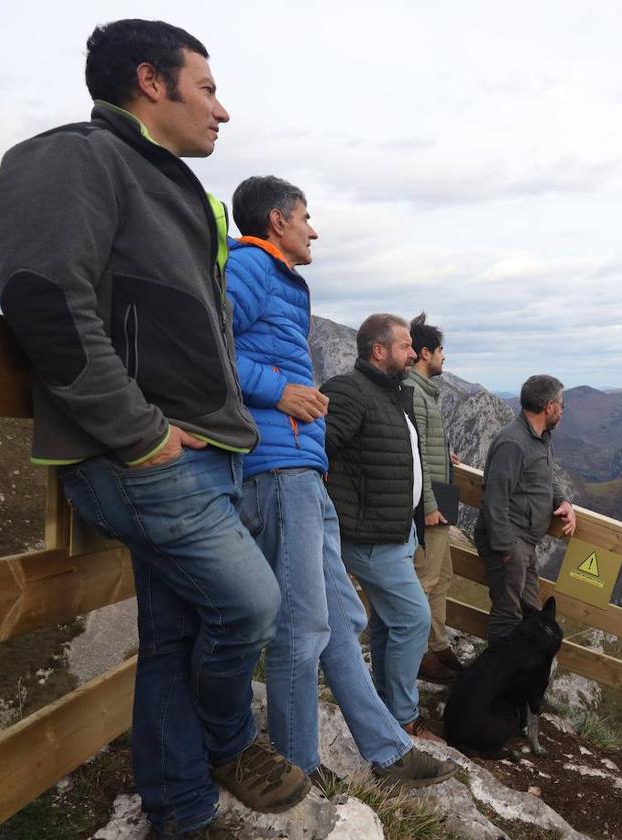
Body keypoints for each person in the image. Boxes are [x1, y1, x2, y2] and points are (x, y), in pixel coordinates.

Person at [0, 20, 308, 838]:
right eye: (206, 87)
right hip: (141, 455)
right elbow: (43, 301)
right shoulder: (69, 158)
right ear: (150, 81)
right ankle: (231, 742)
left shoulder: (171, 186)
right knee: (252, 604)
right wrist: (140, 433)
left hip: (204, 451)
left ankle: (179, 807)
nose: (222, 111)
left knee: (177, 633)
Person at [226, 177, 456, 791]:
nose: (314, 228)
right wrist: (279, 392)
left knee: (342, 614)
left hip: (300, 474)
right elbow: (205, 343)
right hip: (276, 471)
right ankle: (298, 769)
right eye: (306, 216)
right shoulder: (248, 267)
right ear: (277, 220)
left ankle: (385, 747)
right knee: (302, 627)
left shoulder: (280, 281)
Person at [322, 314, 438, 739]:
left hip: (394, 531)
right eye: (406, 346)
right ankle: (403, 719)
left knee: (391, 623)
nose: (413, 353)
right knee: (414, 618)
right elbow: (317, 448)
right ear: (379, 350)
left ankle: (386, 706)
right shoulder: (349, 391)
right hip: (369, 535)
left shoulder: (390, 394)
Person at [474, 375, 577, 644]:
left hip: (525, 544)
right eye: (561, 404)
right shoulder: (514, 443)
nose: (563, 410)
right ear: (549, 406)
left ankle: (514, 675)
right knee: (507, 615)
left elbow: (545, 479)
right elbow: (494, 499)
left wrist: (563, 501)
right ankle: (497, 680)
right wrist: (506, 548)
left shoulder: (540, 438)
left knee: (530, 613)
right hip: (511, 542)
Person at [403, 313, 465, 684]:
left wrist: (446, 450)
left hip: (442, 494)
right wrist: (427, 507)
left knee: (443, 577)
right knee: (425, 580)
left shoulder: (425, 393)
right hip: (430, 503)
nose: (444, 358)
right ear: (425, 353)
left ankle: (439, 646)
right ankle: (421, 656)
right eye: (441, 351)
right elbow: (415, 455)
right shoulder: (413, 391)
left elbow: (426, 445)